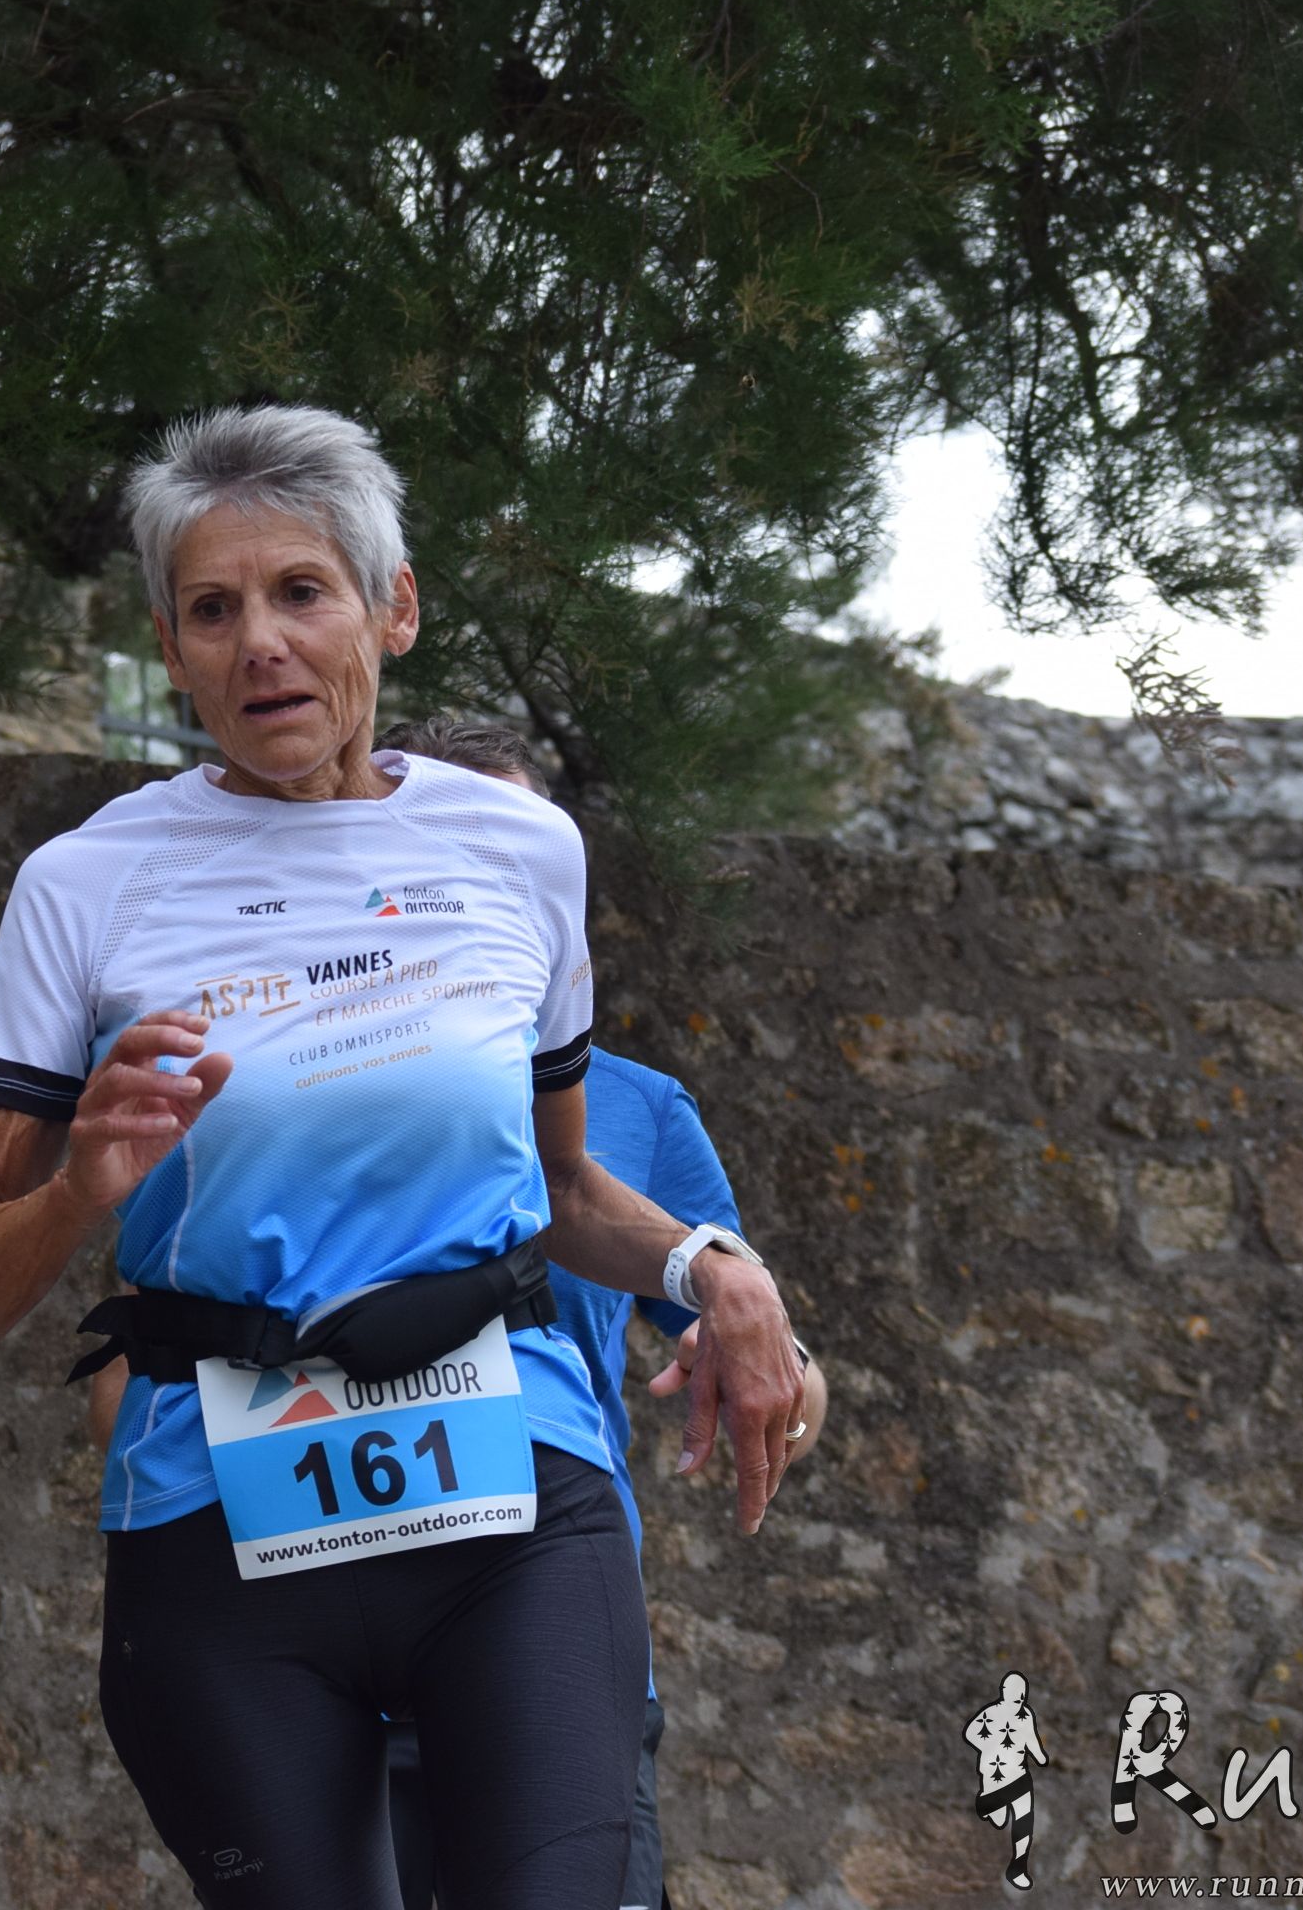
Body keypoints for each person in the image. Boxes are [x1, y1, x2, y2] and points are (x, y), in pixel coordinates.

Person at [0, 404, 810, 1910]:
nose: (260, 644)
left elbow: (565, 1189)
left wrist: (706, 1265)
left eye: (301, 593)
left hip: (510, 1507)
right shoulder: (83, 886)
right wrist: (82, 1186)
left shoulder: (519, 849)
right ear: (171, 647)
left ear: (393, 609)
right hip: (218, 1524)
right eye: (213, 611)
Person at [369, 716, 830, 1910]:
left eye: (521, 853)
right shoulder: (283, 1082)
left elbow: (780, 1365)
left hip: (558, 1638)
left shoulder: (631, 1106)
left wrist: (750, 1351)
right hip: (334, 1633)